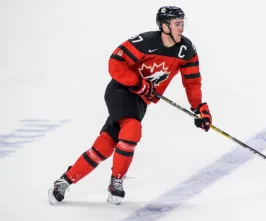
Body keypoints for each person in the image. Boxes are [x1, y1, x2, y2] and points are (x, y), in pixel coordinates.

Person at [48, 6, 212, 205]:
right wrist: (138, 83)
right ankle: (116, 181)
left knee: (105, 145)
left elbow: (192, 81)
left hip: (141, 101)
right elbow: (115, 62)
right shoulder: (145, 42)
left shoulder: (186, 50)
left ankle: (64, 181)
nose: (182, 28)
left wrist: (199, 108)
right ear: (164, 25)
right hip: (121, 90)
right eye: (177, 24)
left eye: (182, 23)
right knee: (132, 129)